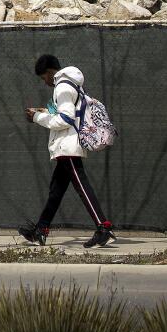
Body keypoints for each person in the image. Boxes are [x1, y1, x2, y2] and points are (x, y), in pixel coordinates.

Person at [19, 53, 114, 248]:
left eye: (43, 77)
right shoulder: (71, 84)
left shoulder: (61, 87)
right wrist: (43, 112)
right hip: (66, 145)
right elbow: (66, 113)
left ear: (49, 72)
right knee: (56, 190)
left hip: (68, 146)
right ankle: (41, 230)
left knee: (82, 186)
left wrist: (37, 118)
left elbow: (66, 120)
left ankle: (103, 228)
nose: (45, 81)